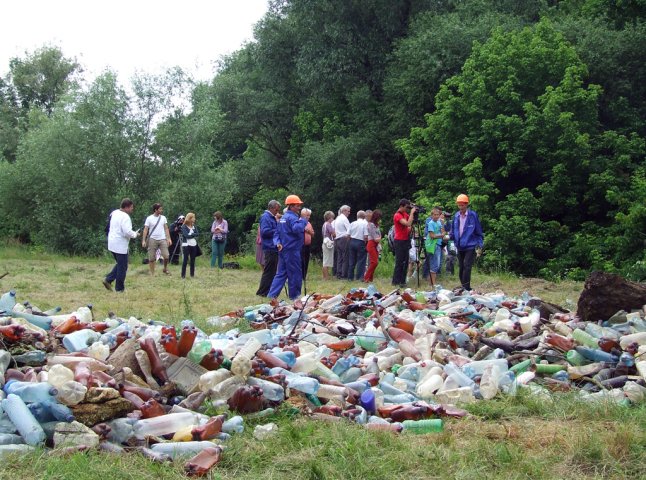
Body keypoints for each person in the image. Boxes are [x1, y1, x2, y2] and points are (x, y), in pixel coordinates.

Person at [268, 195, 307, 302]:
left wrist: (277, 243)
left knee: (281, 274)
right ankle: (294, 296)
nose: (299, 207)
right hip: (292, 250)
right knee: (295, 274)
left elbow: (276, 233)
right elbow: (296, 229)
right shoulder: (293, 218)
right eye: (298, 205)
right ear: (291, 206)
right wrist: (304, 220)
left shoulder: (283, 218)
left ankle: (272, 296)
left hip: (283, 250)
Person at [103, 198, 140, 292]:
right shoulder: (125, 217)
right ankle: (119, 289)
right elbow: (127, 232)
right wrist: (135, 234)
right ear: (126, 207)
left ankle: (108, 280)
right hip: (120, 245)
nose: (132, 209)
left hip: (112, 243)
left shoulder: (114, 213)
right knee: (122, 267)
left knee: (121, 265)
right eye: (131, 207)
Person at [449, 194, 484, 291]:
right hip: (459, 245)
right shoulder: (456, 216)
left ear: (466, 205)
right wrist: (449, 237)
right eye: (459, 205)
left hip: (470, 245)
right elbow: (453, 230)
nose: (460, 207)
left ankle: (466, 287)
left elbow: (478, 230)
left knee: (467, 265)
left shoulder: (473, 216)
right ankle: (463, 286)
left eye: (462, 205)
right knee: (461, 267)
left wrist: (480, 244)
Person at [256, 200, 281, 297]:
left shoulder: (271, 217)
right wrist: (278, 230)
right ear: (271, 208)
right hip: (270, 247)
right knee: (269, 271)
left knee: (271, 271)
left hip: (273, 247)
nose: (277, 212)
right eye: (276, 209)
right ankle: (262, 292)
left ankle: (267, 291)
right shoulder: (266, 217)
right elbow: (265, 232)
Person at [391, 199, 417, 287]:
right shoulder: (397, 215)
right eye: (406, 207)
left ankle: (402, 281)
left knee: (406, 261)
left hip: (406, 240)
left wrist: (413, 211)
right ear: (401, 206)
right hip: (399, 240)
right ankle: (395, 281)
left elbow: (410, 225)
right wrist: (412, 213)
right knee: (399, 261)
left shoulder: (405, 214)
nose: (407, 209)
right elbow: (408, 224)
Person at [141, 203, 172, 276]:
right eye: (160, 209)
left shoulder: (163, 218)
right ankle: (152, 273)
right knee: (151, 258)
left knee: (166, 256)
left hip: (162, 238)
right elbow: (146, 229)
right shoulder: (149, 218)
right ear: (155, 210)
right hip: (152, 239)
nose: (161, 210)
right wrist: (143, 240)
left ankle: (165, 268)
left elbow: (166, 228)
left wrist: (168, 238)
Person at [424, 207, 445, 289]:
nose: (436, 216)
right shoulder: (431, 223)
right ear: (432, 216)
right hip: (433, 245)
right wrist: (441, 235)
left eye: (438, 215)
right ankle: (432, 284)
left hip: (438, 244)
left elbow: (443, 231)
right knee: (434, 264)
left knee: (437, 264)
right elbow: (432, 236)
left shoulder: (439, 223)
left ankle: (432, 283)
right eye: (435, 215)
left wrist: (442, 224)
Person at [347, 210, 368, 281]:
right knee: (361, 260)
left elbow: (348, 235)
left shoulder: (352, 223)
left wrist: (350, 242)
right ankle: (359, 277)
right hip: (360, 242)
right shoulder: (365, 224)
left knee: (352, 260)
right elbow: (365, 236)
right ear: (364, 217)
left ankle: (350, 277)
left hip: (352, 241)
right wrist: (365, 243)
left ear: (357, 216)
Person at [363, 209, 382, 282]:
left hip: (375, 245)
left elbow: (379, 236)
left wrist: (379, 238)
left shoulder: (376, 225)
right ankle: (366, 277)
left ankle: (370, 278)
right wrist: (379, 238)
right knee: (374, 262)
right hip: (371, 244)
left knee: (373, 262)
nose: (380, 219)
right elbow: (376, 238)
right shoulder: (371, 225)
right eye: (379, 217)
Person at [333, 205, 351, 279]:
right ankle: (344, 274)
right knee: (345, 257)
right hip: (343, 239)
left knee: (339, 257)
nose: (349, 213)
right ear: (344, 211)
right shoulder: (344, 218)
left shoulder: (337, 218)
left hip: (337, 239)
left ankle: (338, 273)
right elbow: (349, 229)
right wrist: (349, 236)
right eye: (348, 211)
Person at [181, 212, 200, 279]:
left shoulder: (194, 226)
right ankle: (183, 276)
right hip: (186, 245)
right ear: (190, 218)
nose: (194, 219)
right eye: (193, 217)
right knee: (185, 260)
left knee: (193, 260)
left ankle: (192, 275)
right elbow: (186, 236)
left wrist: (191, 235)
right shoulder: (183, 226)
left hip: (193, 244)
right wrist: (193, 234)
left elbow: (197, 234)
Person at [300, 208, 315, 281]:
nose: (309, 217)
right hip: (301, 245)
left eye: (309, 215)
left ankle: (304, 276)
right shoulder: (299, 222)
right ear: (303, 215)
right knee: (301, 261)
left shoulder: (309, 223)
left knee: (306, 260)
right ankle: (300, 276)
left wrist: (309, 231)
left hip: (308, 245)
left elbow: (312, 234)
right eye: (307, 215)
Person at [321, 211, 335, 280]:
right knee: (326, 261)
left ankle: (324, 276)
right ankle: (326, 277)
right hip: (328, 243)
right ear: (330, 217)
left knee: (325, 260)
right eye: (332, 218)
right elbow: (333, 233)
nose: (333, 219)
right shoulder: (328, 224)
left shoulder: (324, 224)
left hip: (324, 242)